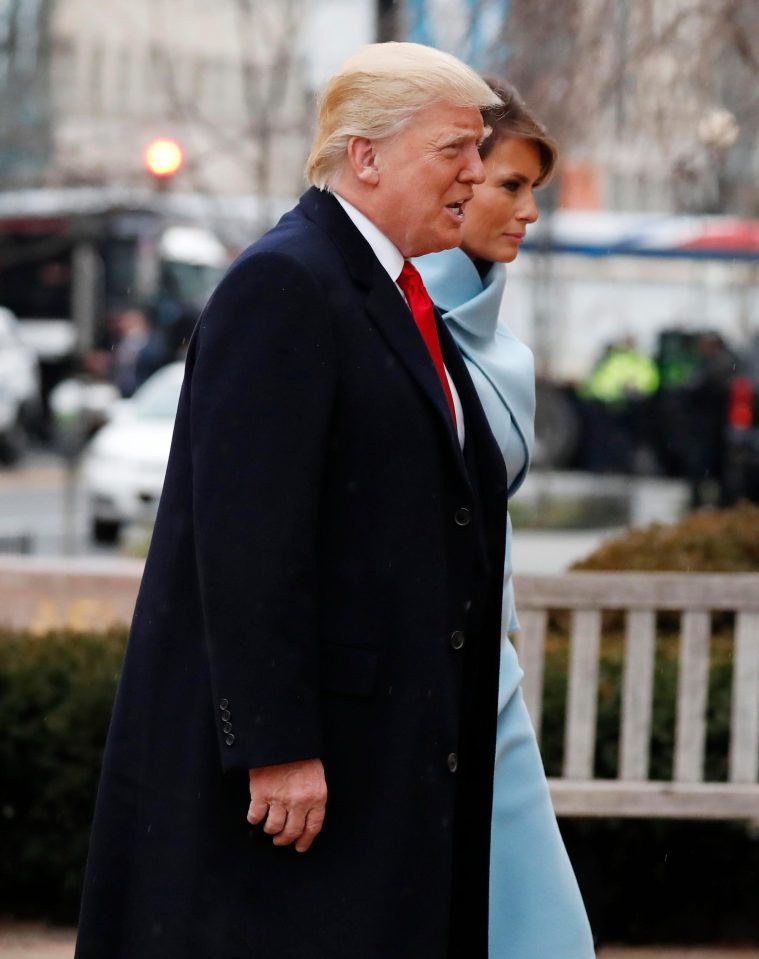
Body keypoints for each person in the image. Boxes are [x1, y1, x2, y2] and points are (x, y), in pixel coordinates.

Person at [75, 44, 508, 959]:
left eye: (479, 150)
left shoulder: (389, 290)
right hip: (307, 771)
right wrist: (276, 745)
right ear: (366, 157)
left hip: (383, 749)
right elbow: (246, 538)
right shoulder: (287, 281)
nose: (477, 172)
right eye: (455, 150)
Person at [416, 79, 597, 958]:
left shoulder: (509, 352)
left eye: (534, 190)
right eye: (508, 186)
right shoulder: (378, 316)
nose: (528, 212)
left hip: (487, 669)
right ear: (452, 179)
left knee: (542, 930)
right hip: (406, 681)